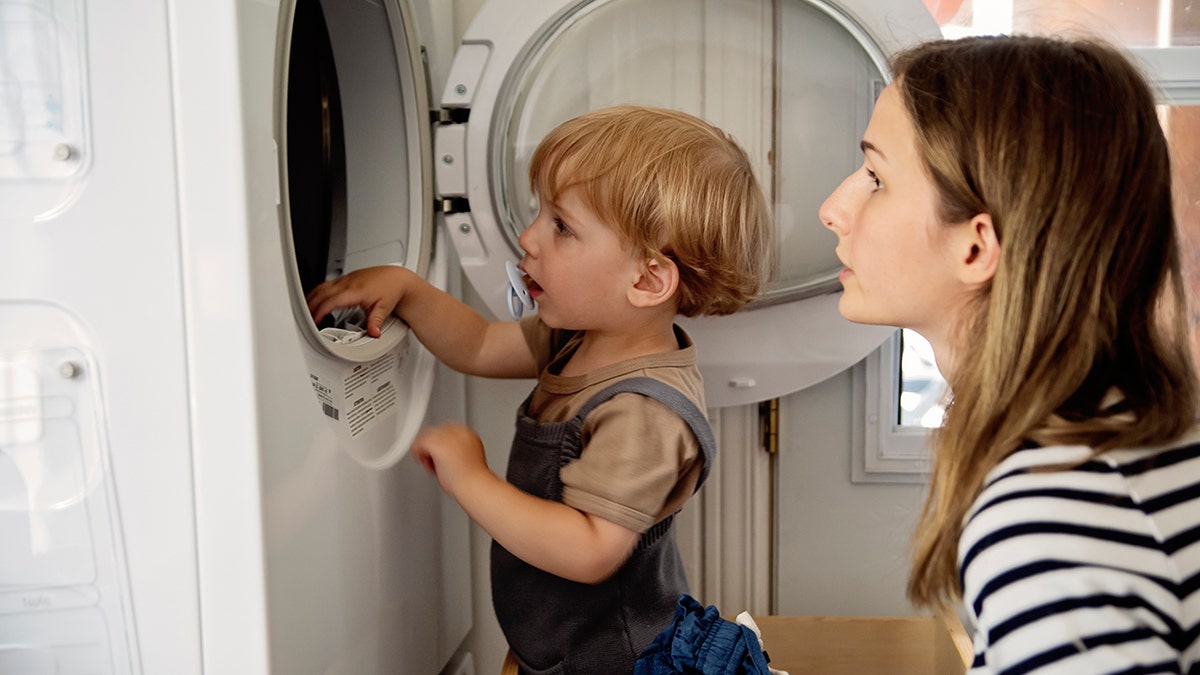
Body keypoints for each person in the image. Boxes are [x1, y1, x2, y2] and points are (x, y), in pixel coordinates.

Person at [307, 104, 774, 674]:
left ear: (647, 279)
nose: (528, 238)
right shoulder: (583, 337)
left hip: (613, 662)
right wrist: (409, 290)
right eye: (541, 214)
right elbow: (478, 343)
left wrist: (471, 480)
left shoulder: (644, 411)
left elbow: (589, 549)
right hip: (562, 649)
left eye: (561, 226)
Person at [820, 34, 1200, 673]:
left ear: (976, 248)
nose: (835, 209)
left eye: (877, 178)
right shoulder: (1128, 429)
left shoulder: (1051, 518)